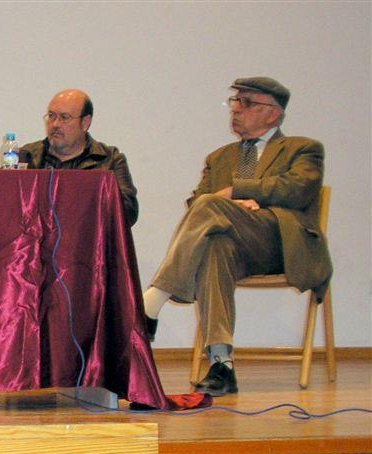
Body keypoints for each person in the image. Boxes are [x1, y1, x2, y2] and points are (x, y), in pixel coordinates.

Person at [143, 77, 331, 396]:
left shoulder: (303, 148)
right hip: (236, 246)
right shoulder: (220, 158)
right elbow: (197, 204)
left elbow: (298, 190)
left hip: (280, 245)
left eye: (247, 103)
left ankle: (153, 298)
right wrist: (229, 205)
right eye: (235, 102)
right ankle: (221, 365)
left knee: (212, 205)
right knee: (216, 245)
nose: (237, 110)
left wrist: (237, 192)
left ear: (273, 114)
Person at [19, 89, 139, 226]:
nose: (55, 124)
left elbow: (129, 213)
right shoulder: (27, 156)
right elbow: (5, 205)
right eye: (51, 116)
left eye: (64, 117)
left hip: (91, 245)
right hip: (38, 246)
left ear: (85, 123)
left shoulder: (110, 160)